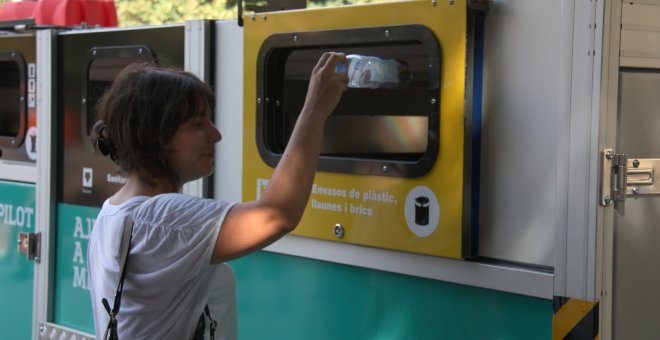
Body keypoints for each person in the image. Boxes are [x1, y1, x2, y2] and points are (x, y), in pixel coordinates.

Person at [88, 52, 348, 339]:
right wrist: (315, 109)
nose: (215, 134)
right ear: (146, 136)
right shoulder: (161, 218)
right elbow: (278, 214)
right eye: (197, 124)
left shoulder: (112, 212)